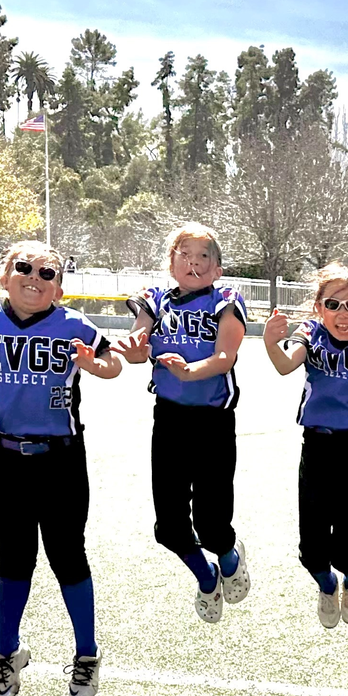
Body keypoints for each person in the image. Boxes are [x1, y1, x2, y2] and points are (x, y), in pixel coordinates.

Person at [0, 240, 123, 696]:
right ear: (4, 277)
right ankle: (7, 653)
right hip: (4, 456)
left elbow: (113, 364)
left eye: (48, 273)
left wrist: (93, 362)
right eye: (24, 268)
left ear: (59, 288)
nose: (35, 277)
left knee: (67, 553)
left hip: (61, 458)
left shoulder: (72, 324)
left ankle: (87, 655)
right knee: (13, 555)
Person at [262, 234, 348, 628]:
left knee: (345, 549)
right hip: (317, 447)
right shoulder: (311, 333)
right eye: (333, 305)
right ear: (318, 308)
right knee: (311, 552)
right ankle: (326, 587)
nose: (343, 314)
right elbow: (286, 365)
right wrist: (272, 343)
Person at [118, 224, 252, 623]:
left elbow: (225, 356)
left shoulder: (225, 299)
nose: (193, 261)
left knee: (211, 525)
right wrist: (133, 349)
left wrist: (191, 371)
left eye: (204, 256)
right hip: (170, 419)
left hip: (212, 421)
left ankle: (228, 556)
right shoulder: (154, 299)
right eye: (184, 253)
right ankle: (206, 576)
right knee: (170, 528)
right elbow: (139, 344)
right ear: (171, 261)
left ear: (218, 268)